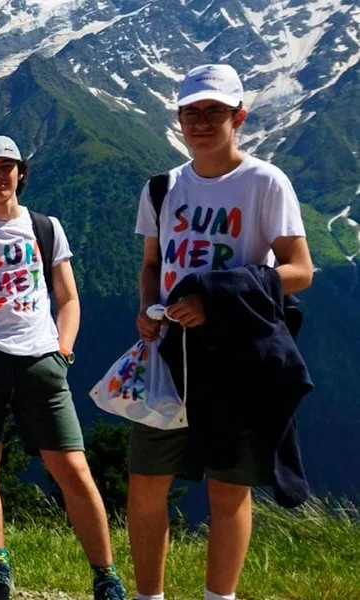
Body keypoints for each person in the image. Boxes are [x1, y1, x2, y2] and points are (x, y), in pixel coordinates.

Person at [128, 64, 313, 600]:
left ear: (239, 117)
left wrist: (219, 300)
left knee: (229, 493)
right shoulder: (162, 188)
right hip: (166, 356)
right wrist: (148, 309)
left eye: (214, 112)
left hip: (237, 357)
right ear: (179, 119)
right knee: (145, 488)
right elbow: (151, 264)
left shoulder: (264, 182)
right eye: (192, 112)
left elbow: (300, 269)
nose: (202, 122)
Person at [0, 136, 125, 600]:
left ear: (20, 173)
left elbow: (69, 298)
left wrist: (64, 351)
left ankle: (106, 575)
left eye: (7, 167)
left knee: (74, 469)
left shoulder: (47, 227)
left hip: (41, 361)